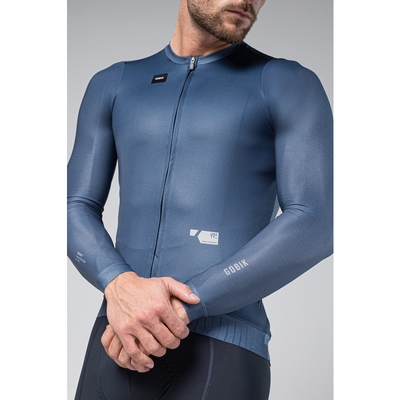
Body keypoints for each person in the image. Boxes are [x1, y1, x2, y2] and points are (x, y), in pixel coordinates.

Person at [67, 0, 333, 398]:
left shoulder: (286, 83)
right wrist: (118, 284)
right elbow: (73, 205)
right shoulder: (114, 83)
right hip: (117, 337)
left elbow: (318, 220)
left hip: (221, 347)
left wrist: (180, 308)